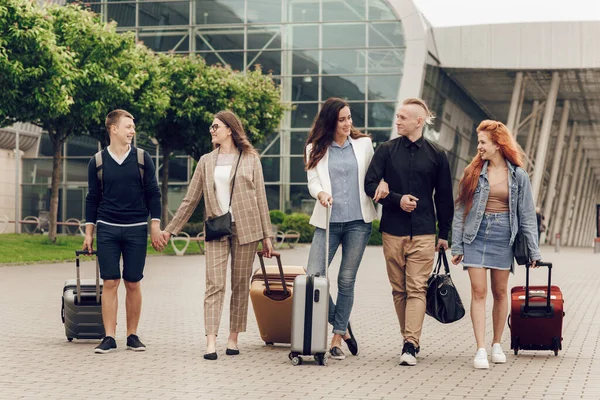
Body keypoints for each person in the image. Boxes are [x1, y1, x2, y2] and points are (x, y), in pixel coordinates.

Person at [160, 110, 274, 360]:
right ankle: (211, 340)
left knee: (240, 285)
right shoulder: (205, 161)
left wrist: (267, 237)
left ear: (229, 130)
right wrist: (170, 230)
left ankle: (233, 337)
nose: (212, 131)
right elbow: (191, 199)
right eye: (211, 128)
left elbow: (261, 199)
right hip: (216, 227)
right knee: (214, 284)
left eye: (216, 127)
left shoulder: (250, 159)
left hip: (247, 229)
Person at [364, 98, 454, 366]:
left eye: (403, 117)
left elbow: (445, 198)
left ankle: (410, 344)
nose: (397, 120)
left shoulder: (438, 155)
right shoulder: (386, 150)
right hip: (392, 231)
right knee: (399, 289)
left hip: (425, 233)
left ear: (418, 121)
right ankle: (408, 338)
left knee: (416, 288)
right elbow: (369, 184)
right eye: (398, 116)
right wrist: (395, 198)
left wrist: (444, 233)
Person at [451, 120, 541, 369]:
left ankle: (496, 344)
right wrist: (456, 245)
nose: (478, 147)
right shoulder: (472, 172)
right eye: (478, 142)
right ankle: (480, 348)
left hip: (504, 237)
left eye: (482, 142)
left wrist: (533, 250)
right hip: (476, 236)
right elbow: (460, 211)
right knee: (479, 293)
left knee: (501, 293)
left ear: (498, 144)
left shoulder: (518, 175)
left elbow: (526, 215)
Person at [83, 109, 166, 354]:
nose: (132, 131)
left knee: (132, 281)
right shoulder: (97, 161)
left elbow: (154, 193)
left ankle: (132, 335)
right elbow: (92, 198)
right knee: (110, 281)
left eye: (133, 126)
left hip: (136, 229)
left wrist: (155, 225)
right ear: (114, 129)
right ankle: (109, 336)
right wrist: (89, 233)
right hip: (107, 228)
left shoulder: (142, 159)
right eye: (128, 126)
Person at [304, 97, 378, 360]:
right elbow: (313, 180)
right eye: (342, 119)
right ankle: (344, 326)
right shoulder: (315, 147)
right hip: (328, 221)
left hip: (359, 222)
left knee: (346, 280)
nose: (348, 123)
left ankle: (336, 337)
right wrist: (321, 193)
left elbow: (374, 175)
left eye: (349, 118)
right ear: (330, 121)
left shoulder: (364, 144)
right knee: (314, 277)